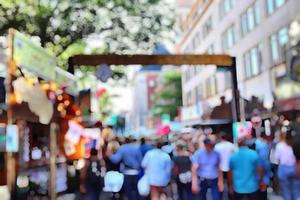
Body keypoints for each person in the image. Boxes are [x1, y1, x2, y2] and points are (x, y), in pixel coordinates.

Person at [275, 129, 300, 200]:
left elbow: (277, 158)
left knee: (286, 191)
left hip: (285, 169)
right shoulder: (295, 144)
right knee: (296, 190)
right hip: (294, 168)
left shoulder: (280, 145)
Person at [214, 132, 235, 200]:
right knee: (230, 185)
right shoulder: (231, 145)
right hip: (229, 168)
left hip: (221, 168)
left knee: (220, 185)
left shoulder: (217, 146)